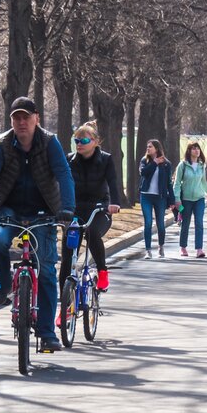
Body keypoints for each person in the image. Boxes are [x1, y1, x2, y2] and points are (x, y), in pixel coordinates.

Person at [0, 96, 75, 353]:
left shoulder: (50, 143)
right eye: (16, 118)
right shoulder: (2, 145)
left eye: (26, 117)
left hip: (44, 211)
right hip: (8, 209)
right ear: (11, 121)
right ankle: (5, 284)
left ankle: (46, 332)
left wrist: (67, 209)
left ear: (36, 119)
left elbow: (64, 174)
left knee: (46, 270)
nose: (21, 122)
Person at [58, 122, 120, 293]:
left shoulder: (106, 159)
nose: (79, 144)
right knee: (68, 255)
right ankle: (64, 308)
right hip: (75, 210)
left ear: (95, 142)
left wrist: (113, 203)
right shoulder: (69, 160)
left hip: (99, 209)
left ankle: (102, 271)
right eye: (76, 140)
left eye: (84, 140)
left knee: (92, 231)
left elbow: (113, 183)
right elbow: (60, 184)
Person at [174, 141, 207, 258]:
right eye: (194, 148)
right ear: (189, 151)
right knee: (185, 223)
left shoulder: (202, 166)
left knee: (199, 223)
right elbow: (176, 184)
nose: (197, 151)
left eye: (198, 149)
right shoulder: (183, 165)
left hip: (199, 199)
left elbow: (205, 184)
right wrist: (177, 199)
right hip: (185, 199)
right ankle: (183, 247)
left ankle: (199, 249)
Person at [139, 139, 174, 259]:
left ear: (157, 149)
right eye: (147, 147)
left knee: (160, 224)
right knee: (148, 222)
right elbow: (143, 173)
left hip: (160, 197)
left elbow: (169, 183)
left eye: (151, 147)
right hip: (146, 195)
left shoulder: (166, 164)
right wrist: (154, 162)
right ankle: (148, 250)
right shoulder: (145, 161)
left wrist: (172, 200)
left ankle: (161, 246)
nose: (148, 148)